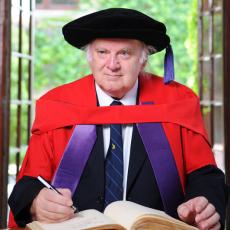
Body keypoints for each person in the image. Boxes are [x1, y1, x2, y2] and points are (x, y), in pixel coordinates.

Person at [8, 8, 227, 229]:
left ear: (143, 59)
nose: (112, 64)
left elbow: (205, 176)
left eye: (124, 53)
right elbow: (27, 185)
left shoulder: (176, 102)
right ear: (89, 57)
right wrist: (36, 202)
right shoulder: (59, 105)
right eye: (102, 52)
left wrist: (204, 202)